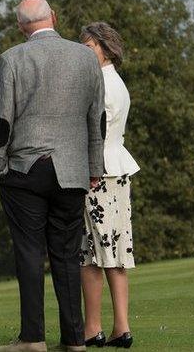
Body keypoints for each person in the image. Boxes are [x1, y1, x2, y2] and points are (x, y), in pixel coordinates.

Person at [0, 0, 105, 352]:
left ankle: (33, 339)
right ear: (53, 17)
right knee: (67, 255)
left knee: (29, 252)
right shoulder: (86, 57)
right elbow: (97, 119)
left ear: (22, 27)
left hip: (25, 169)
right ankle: (74, 340)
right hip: (73, 171)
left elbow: (1, 121)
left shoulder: (11, 59)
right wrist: (94, 167)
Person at [78, 22, 139, 349]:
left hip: (98, 173)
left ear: (104, 47)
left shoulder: (99, 83)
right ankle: (121, 327)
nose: (85, 52)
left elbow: (94, 131)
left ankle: (93, 328)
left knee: (89, 255)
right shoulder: (117, 82)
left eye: (89, 47)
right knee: (115, 251)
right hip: (116, 172)